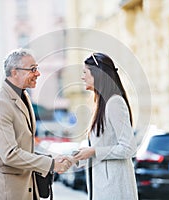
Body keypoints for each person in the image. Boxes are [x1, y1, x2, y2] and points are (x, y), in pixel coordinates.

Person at [0, 48, 72, 200]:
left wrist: (53, 159)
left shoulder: (23, 96)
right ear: (15, 72)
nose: (38, 73)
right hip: (7, 193)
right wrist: (50, 164)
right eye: (33, 69)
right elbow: (9, 154)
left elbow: (24, 147)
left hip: (27, 189)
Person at [73, 52, 139, 200]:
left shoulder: (115, 103)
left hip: (115, 188)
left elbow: (129, 148)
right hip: (103, 187)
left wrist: (94, 151)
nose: (82, 77)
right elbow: (101, 145)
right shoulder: (100, 104)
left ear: (97, 74)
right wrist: (80, 155)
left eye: (85, 72)